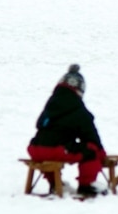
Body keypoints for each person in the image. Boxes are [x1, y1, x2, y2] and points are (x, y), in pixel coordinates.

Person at [27, 65, 106, 198]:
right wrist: (101, 153)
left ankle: (54, 183)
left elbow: (39, 124)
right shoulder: (79, 110)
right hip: (56, 149)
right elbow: (90, 135)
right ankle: (87, 185)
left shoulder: (51, 104)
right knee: (91, 151)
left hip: (35, 148)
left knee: (53, 148)